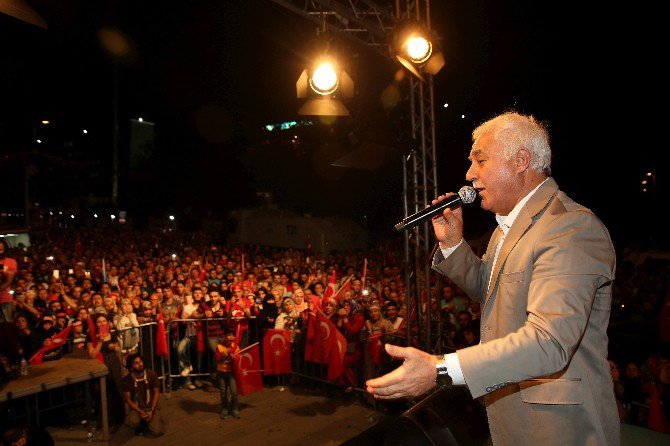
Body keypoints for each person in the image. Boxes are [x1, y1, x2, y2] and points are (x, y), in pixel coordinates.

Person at [366, 112, 619, 445]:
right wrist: (454, 243)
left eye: (480, 160)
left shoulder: (569, 228)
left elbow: (550, 342)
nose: (470, 175)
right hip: (512, 417)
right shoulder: (503, 232)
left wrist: (441, 370)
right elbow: (492, 291)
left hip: (560, 429)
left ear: (521, 160)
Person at [121, 353, 164, 437]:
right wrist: (139, 411)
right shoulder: (127, 380)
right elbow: (128, 399)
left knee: (157, 431)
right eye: (135, 363)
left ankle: (151, 421)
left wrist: (151, 410)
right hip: (137, 408)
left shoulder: (151, 374)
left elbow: (156, 393)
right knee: (131, 422)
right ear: (131, 367)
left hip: (151, 406)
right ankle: (142, 423)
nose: (140, 364)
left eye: (140, 361)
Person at [214, 329, 240, 419]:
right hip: (221, 372)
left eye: (233, 335)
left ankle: (235, 409)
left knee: (234, 392)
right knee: (223, 392)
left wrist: (233, 358)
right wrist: (225, 354)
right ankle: (225, 408)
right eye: (229, 335)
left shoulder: (236, 347)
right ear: (225, 336)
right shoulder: (219, 347)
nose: (231, 337)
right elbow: (217, 360)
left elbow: (238, 361)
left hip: (232, 373)